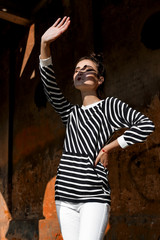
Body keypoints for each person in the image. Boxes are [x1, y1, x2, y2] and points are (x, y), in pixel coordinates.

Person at [39, 16, 155, 240]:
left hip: (94, 196)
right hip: (64, 196)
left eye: (87, 68)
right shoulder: (70, 112)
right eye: (76, 69)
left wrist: (108, 148)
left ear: (100, 79)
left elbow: (145, 125)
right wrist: (44, 44)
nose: (80, 71)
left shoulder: (110, 106)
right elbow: (49, 85)